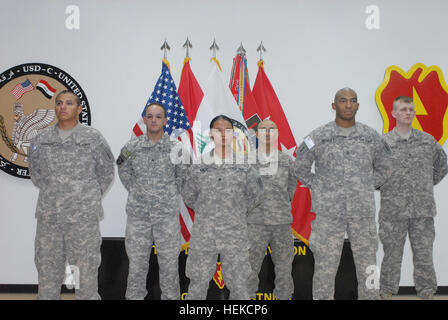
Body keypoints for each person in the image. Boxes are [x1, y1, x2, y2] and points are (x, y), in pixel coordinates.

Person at [294, 87, 392, 300]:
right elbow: (300, 166)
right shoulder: (318, 136)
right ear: (334, 105)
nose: (348, 105)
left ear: (357, 105)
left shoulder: (370, 136)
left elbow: (386, 167)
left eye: (353, 100)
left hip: (362, 212)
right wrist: (318, 186)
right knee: (325, 265)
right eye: (343, 101)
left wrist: (366, 185)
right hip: (329, 213)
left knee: (369, 265)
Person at [28, 90, 115, 300]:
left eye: (68, 103)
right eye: (59, 103)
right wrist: (56, 193)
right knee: (47, 272)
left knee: (85, 275)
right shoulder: (41, 139)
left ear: (79, 109)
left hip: (83, 220)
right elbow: (36, 174)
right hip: (50, 219)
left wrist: (86, 197)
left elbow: (106, 172)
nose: (63, 107)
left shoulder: (92, 138)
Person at [182, 115, 263, 300]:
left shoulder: (244, 166)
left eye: (227, 130)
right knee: (197, 286)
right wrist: (208, 213)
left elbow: (255, 195)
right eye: (218, 130)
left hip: (235, 236)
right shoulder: (199, 166)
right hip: (204, 235)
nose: (223, 134)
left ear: (234, 134)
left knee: (240, 287)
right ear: (211, 134)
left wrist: (235, 213)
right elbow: (189, 196)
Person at [117, 102, 188, 300]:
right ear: (145, 119)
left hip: (166, 217)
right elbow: (122, 169)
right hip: (138, 216)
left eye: (158, 116)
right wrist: (137, 190)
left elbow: (183, 175)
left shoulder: (176, 148)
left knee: (169, 265)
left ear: (165, 120)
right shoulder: (132, 146)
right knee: (137, 265)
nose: (154, 120)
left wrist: (170, 192)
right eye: (150, 116)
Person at [379, 96, 447, 300]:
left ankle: (427, 292)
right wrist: (384, 186)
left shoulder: (427, 141)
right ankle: (387, 290)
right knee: (392, 254)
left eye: (410, 109)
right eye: (403, 109)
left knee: (424, 255)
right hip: (393, 211)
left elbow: (442, 165)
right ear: (394, 113)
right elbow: (373, 173)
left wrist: (426, 184)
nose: (408, 112)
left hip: (422, 210)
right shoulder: (383, 144)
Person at [247, 119, 296, 300]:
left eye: (271, 129)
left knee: (284, 270)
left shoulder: (286, 161)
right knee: (249, 270)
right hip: (254, 224)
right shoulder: (247, 161)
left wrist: (278, 206)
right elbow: (241, 192)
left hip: (281, 224)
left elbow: (290, 189)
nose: (267, 133)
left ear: (277, 134)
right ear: (257, 134)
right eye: (263, 129)